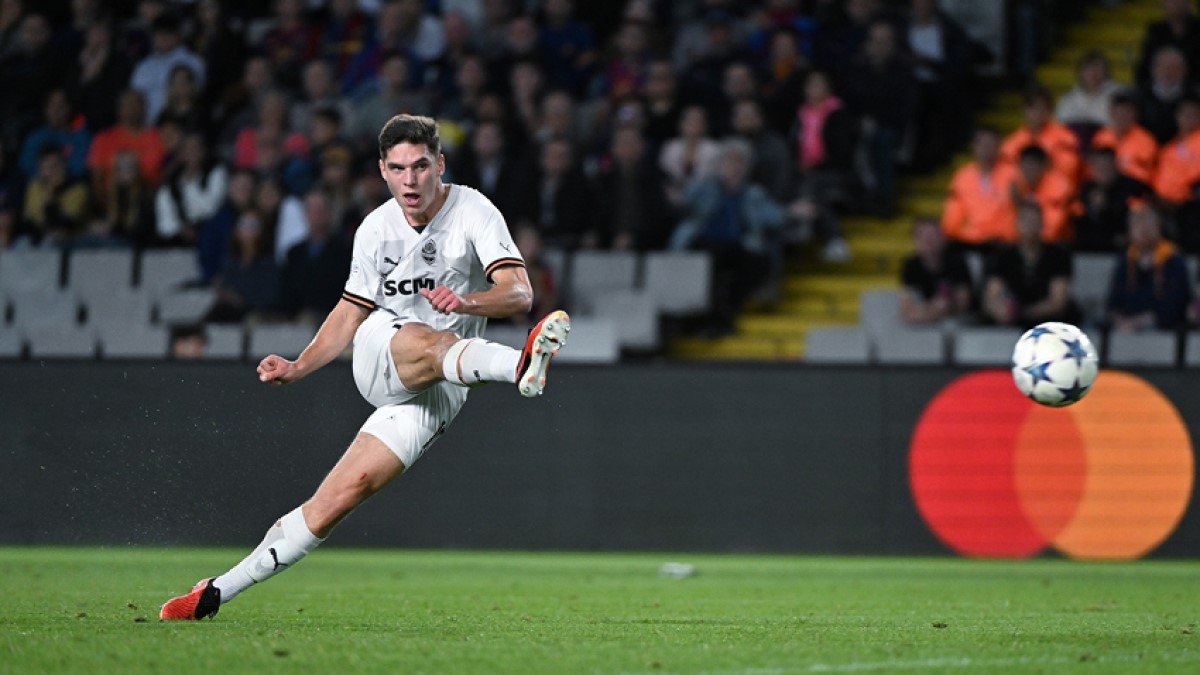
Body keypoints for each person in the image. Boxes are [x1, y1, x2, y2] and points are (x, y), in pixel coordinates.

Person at [159, 114, 570, 621]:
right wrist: (299, 365)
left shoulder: (474, 210)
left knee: (338, 498)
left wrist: (467, 301)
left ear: (440, 164)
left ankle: (216, 592)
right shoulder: (375, 229)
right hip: (382, 352)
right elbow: (350, 312)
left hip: (445, 382)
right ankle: (518, 366)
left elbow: (520, 293)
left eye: (420, 166)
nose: (410, 180)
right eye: (398, 169)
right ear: (382, 171)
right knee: (430, 339)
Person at [982, 203, 1079, 329]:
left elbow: (1057, 302)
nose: (1030, 227)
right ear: (1017, 224)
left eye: (1034, 221)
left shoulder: (1058, 256)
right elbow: (992, 295)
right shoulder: (1002, 256)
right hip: (1010, 322)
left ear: (1042, 225)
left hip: (1049, 323)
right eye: (1026, 221)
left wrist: (1023, 314)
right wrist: (1001, 310)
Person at [1106, 204, 1192, 331]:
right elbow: (1113, 302)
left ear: (1159, 228)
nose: (1144, 230)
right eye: (1138, 224)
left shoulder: (1173, 261)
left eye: (1149, 224)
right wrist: (1118, 319)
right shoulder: (1125, 261)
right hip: (1125, 329)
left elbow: (1175, 306)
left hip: (1163, 331)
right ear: (1130, 231)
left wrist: (1140, 322)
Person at [941, 127, 1019, 248]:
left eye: (991, 145)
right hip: (973, 241)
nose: (986, 149)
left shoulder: (1014, 174)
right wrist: (948, 233)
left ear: (999, 147)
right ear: (974, 146)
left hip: (1005, 242)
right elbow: (953, 213)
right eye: (982, 145)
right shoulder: (963, 177)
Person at [1076, 146, 1153, 253]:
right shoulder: (1086, 190)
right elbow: (1080, 222)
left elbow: (1145, 215)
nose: (1103, 172)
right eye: (1099, 168)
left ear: (1115, 166)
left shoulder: (1133, 187)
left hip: (1128, 246)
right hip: (1093, 247)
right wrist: (1094, 209)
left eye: (1107, 167)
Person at [900, 217, 973, 325]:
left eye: (932, 235)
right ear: (915, 240)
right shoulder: (911, 266)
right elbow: (907, 305)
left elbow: (963, 302)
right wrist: (931, 308)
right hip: (926, 314)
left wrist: (942, 306)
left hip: (957, 318)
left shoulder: (957, 262)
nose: (928, 241)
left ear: (943, 238)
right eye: (922, 236)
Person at [1091, 92, 1159, 185]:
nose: (1122, 117)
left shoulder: (1146, 141)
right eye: (1118, 113)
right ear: (1111, 113)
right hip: (1106, 186)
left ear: (1135, 114)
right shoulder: (1102, 137)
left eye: (1126, 113)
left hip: (1135, 186)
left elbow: (1149, 172)